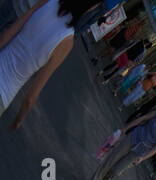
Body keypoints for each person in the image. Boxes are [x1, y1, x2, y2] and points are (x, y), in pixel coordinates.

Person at [0, 0, 98, 129]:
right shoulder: (67, 42)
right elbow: (31, 95)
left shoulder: (47, 2)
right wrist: (19, 119)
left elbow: (5, 36)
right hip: (4, 93)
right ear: (91, 7)